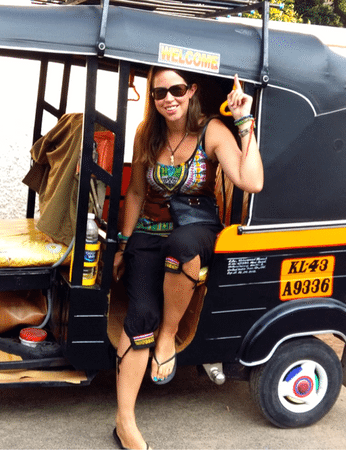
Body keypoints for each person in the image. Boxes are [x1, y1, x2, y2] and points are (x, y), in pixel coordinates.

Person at [111, 67, 264, 449]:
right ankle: (124, 420)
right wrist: (122, 243)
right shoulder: (147, 134)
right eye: (159, 92)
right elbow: (133, 194)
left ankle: (168, 336)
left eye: (176, 89)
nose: (169, 98)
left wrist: (244, 121)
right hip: (149, 231)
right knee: (140, 314)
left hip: (196, 225)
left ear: (191, 90)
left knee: (184, 248)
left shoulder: (211, 130)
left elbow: (252, 181)